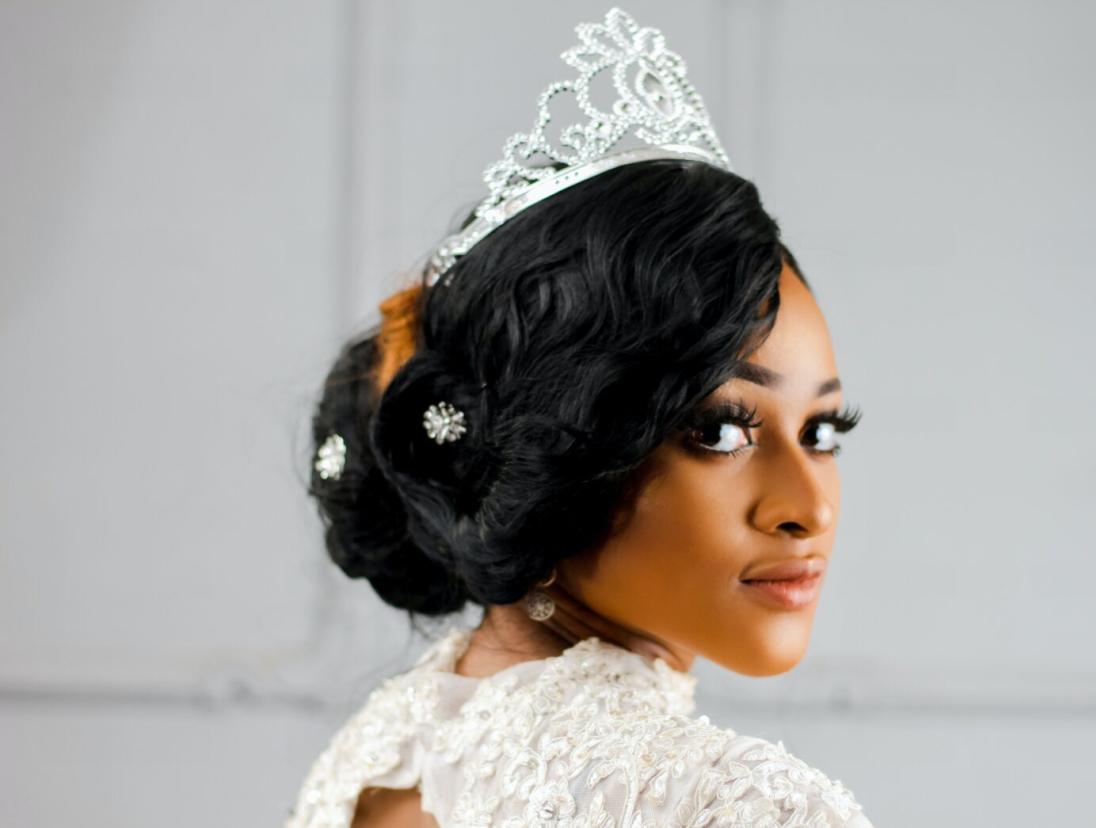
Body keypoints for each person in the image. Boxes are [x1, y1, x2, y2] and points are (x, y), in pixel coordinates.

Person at [286, 7, 873, 827]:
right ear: (552, 449)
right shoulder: (735, 808)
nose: (806, 509)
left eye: (822, 432)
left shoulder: (367, 766)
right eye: (721, 430)